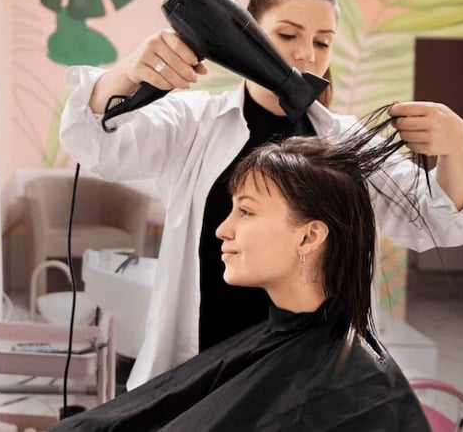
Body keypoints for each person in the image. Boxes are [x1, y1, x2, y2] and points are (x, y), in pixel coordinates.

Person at [59, 0, 463, 389]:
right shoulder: (195, 123)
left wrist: (459, 147)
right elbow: (95, 145)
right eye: (287, 35)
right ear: (246, 36)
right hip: (207, 352)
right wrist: (127, 74)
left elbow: (436, 219)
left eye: (322, 42)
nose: (306, 55)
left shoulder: (344, 142)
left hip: (310, 366)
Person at [52, 118, 432, 431]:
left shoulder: (349, 391)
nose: (223, 229)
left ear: (310, 235)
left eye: (246, 212)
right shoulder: (287, 343)